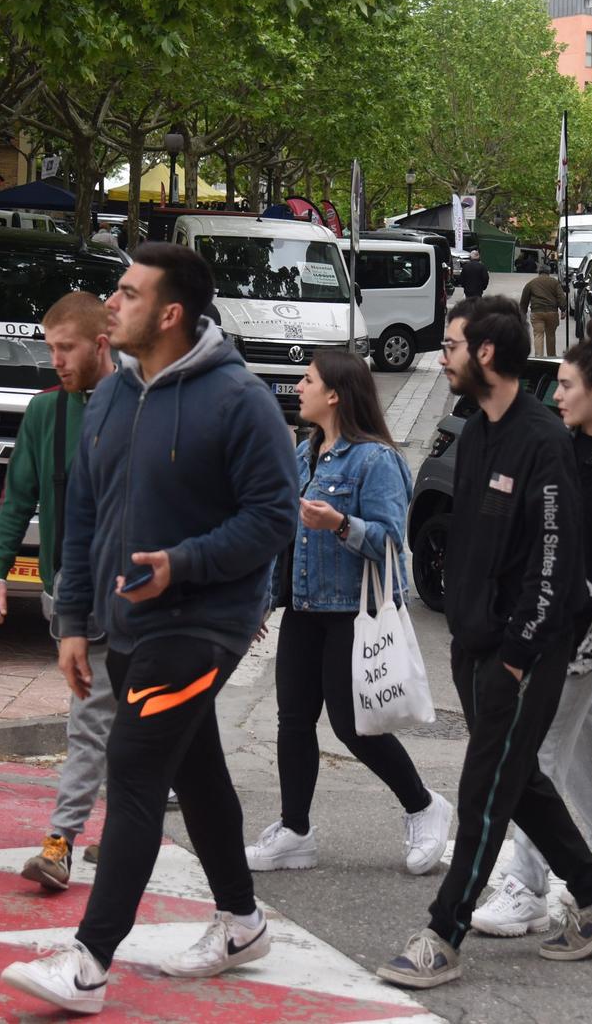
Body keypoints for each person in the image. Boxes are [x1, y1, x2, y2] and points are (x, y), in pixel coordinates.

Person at [1, 243, 298, 1015]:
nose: (112, 304)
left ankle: (89, 964)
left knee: (133, 768)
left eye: (128, 293)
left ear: (170, 313)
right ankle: (242, 920)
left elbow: (275, 517)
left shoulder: (240, 399)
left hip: (203, 621)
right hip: (126, 619)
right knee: (194, 766)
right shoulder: (109, 396)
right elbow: (85, 512)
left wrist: (184, 562)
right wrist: (73, 619)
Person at [377, 294, 592, 991]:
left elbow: (554, 563)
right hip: (474, 641)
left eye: (453, 344)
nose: (443, 356)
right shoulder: (473, 430)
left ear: (486, 353)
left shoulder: (542, 440)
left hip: (524, 653)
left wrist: (518, 655)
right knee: (517, 781)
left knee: (484, 783)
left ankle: (444, 931)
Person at [472, 313, 592, 936]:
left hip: (586, 636)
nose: (555, 395)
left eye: (566, 385)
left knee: (538, 755)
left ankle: (526, 885)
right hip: (547, 625)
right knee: (584, 751)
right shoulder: (561, 446)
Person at [245, 350, 453, 877]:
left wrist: (340, 523)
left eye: (308, 379)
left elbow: (389, 543)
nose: (298, 385)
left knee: (351, 726)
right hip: (305, 609)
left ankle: (424, 806)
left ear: (334, 394)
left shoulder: (374, 460)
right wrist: (263, 601)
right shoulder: (304, 455)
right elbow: (282, 539)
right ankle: (295, 831)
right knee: (292, 720)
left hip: (351, 613)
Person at [0, 292, 119, 892]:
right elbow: (19, 497)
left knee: (100, 719)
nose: (55, 360)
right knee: (98, 717)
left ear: (101, 344)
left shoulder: (137, 405)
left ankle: (67, 839)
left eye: (66, 348)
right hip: (69, 591)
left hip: (129, 591)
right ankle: (98, 833)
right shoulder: (45, 413)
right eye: (51, 348)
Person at [520, 261, 565, 358]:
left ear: (539, 272)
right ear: (549, 272)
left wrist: (522, 315)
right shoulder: (555, 282)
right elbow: (561, 297)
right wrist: (563, 309)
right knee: (551, 335)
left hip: (537, 313)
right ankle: (551, 357)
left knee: (538, 335)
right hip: (552, 312)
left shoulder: (531, 283)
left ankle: (539, 357)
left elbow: (524, 301)